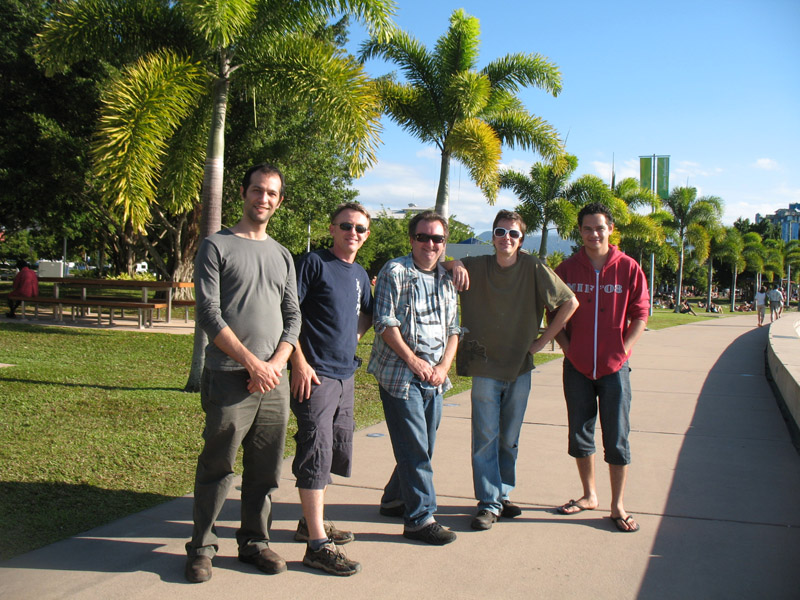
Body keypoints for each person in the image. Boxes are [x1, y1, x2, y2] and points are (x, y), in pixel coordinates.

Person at [185, 164, 301, 583]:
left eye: (272, 193)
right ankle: (201, 548)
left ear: (279, 200)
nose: (263, 199)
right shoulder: (216, 246)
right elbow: (209, 314)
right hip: (230, 376)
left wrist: (274, 365)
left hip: (272, 381)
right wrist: (253, 363)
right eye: (257, 190)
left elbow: (293, 316)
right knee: (219, 465)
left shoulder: (283, 254)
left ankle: (255, 542)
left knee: (265, 468)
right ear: (243, 193)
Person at [447, 210, 578, 530]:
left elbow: (569, 303)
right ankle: (488, 502)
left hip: (520, 366)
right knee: (485, 436)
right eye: (500, 232)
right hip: (484, 365)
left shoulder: (533, 267)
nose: (506, 238)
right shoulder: (477, 265)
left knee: (509, 438)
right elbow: (437, 261)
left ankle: (502, 494)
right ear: (492, 236)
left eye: (513, 234)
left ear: (521, 240)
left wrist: (542, 342)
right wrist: (454, 263)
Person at [552, 203, 650, 533]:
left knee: (617, 437)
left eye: (600, 227)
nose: (594, 234)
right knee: (580, 434)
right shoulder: (566, 270)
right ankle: (589, 495)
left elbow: (640, 314)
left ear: (610, 229)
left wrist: (622, 349)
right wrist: (568, 349)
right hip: (576, 368)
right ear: (579, 232)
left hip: (614, 369)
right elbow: (553, 314)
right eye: (587, 228)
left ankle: (617, 504)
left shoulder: (629, 268)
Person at [289, 202, 373, 576]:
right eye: (346, 226)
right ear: (331, 228)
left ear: (366, 235)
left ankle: (310, 523)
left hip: (345, 375)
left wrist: (355, 335)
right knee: (315, 449)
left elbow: (367, 311)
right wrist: (299, 362)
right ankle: (316, 545)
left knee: (335, 447)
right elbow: (287, 313)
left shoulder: (359, 273)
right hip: (315, 374)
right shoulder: (313, 263)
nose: (352, 232)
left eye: (359, 228)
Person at [367, 211, 460, 545]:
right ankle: (420, 518)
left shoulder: (448, 279)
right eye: (423, 237)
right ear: (412, 239)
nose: (430, 244)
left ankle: (394, 498)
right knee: (416, 449)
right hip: (400, 377)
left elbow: (454, 329)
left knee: (422, 446)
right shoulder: (396, 271)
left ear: (444, 243)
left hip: (434, 378)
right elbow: (384, 322)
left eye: (437, 239)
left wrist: (443, 368)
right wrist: (414, 361)